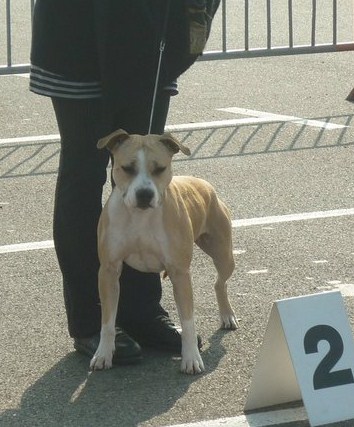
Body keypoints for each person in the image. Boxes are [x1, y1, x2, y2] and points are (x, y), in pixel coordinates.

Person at [30, 0, 220, 365]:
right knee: (82, 176)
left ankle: (142, 311)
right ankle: (91, 321)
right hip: (76, 38)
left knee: (145, 172)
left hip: (149, 42)